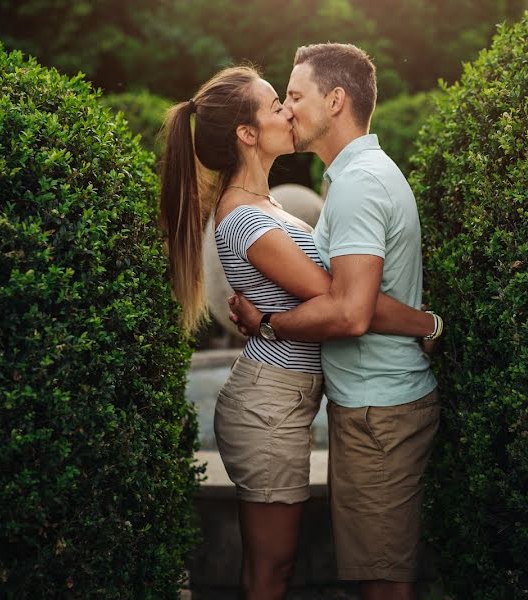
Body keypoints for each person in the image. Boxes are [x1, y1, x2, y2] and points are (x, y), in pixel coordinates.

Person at [159, 65, 442, 600]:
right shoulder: (248, 220)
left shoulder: (268, 206)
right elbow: (343, 303)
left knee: (277, 569)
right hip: (268, 407)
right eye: (275, 105)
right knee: (272, 572)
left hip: (285, 400)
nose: (288, 111)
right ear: (247, 134)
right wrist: (423, 322)